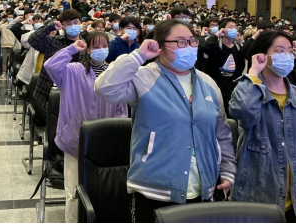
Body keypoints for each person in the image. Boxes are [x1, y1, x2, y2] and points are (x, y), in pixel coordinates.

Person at [95, 20, 237, 224]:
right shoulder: (144, 76)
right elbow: (104, 88)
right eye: (180, 42)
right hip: (154, 189)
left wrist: (228, 171)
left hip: (204, 187)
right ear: (160, 45)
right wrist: (139, 56)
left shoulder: (208, 83)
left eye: (191, 41)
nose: (188, 47)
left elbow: (221, 132)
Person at [229, 31, 296, 221]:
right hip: (258, 199)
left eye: (290, 51)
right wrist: (253, 72)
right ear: (262, 55)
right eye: (280, 50)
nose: (287, 56)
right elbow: (242, 110)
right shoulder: (252, 92)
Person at [44, 33, 128, 223]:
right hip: (75, 139)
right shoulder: (74, 70)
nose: (101, 49)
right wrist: (72, 49)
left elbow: (121, 110)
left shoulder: (114, 73)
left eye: (104, 45)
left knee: (103, 191)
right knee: (74, 191)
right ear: (88, 50)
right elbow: (51, 66)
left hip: (104, 142)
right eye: (96, 46)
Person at [27, 9, 83, 124]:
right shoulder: (52, 41)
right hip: (51, 88)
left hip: (76, 91)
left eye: (76, 22)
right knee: (51, 123)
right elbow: (33, 40)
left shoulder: (86, 45)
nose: (73, 26)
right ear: (63, 26)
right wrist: (50, 27)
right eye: (68, 23)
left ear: (81, 24)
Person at [201, 18, 246, 116]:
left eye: (235, 27)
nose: (234, 29)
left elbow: (241, 66)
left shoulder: (237, 47)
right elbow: (204, 47)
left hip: (232, 89)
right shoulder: (216, 46)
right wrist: (217, 35)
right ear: (223, 29)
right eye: (230, 27)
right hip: (217, 88)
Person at [0, 12, 17, 79]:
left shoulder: (15, 25)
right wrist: (2, 21)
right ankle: (4, 73)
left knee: (11, 60)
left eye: (11, 17)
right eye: (9, 17)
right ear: (7, 18)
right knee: (4, 60)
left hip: (12, 45)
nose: (10, 18)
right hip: (4, 44)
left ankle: (10, 73)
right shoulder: (3, 25)